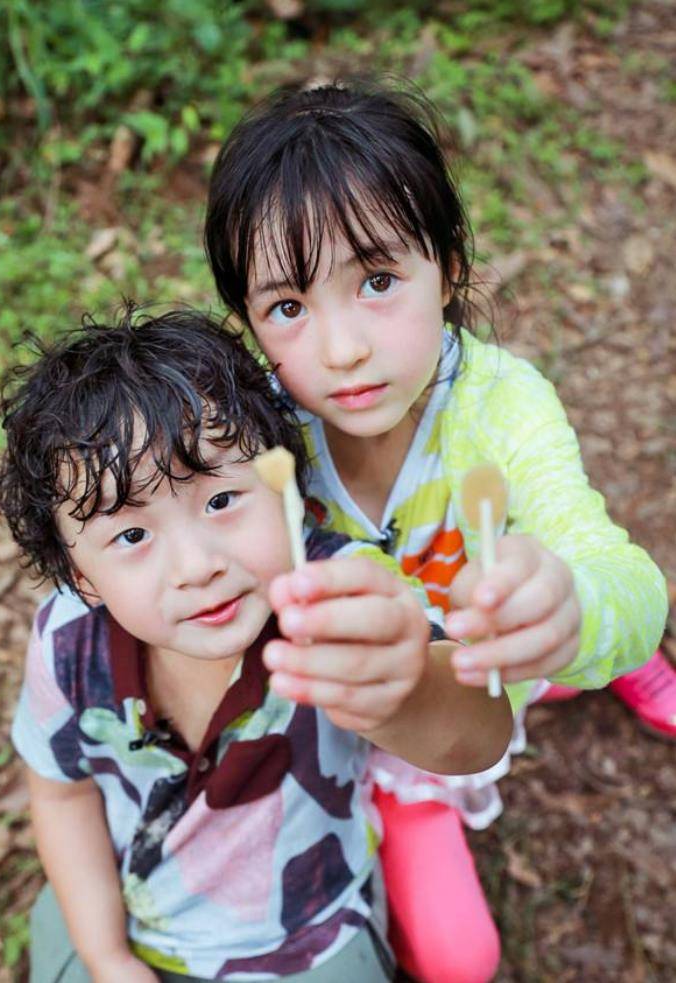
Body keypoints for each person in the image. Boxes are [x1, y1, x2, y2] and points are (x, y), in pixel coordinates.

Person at [203, 76, 669, 983]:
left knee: (555, 622)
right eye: (288, 308)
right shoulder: (256, 429)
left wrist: (579, 603)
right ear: (249, 323)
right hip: (385, 715)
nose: (341, 350)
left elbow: (621, 575)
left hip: (479, 665)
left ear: (449, 265)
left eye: (377, 281)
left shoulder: (503, 407)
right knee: (462, 959)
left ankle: (593, 664)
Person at [0, 306, 514, 982]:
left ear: (284, 483)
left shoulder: (340, 594)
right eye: (131, 535)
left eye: (220, 500)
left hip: (309, 941)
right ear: (80, 576)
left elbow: (477, 738)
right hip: (125, 917)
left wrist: (403, 686)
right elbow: (62, 796)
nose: (195, 565)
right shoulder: (66, 646)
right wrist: (107, 956)